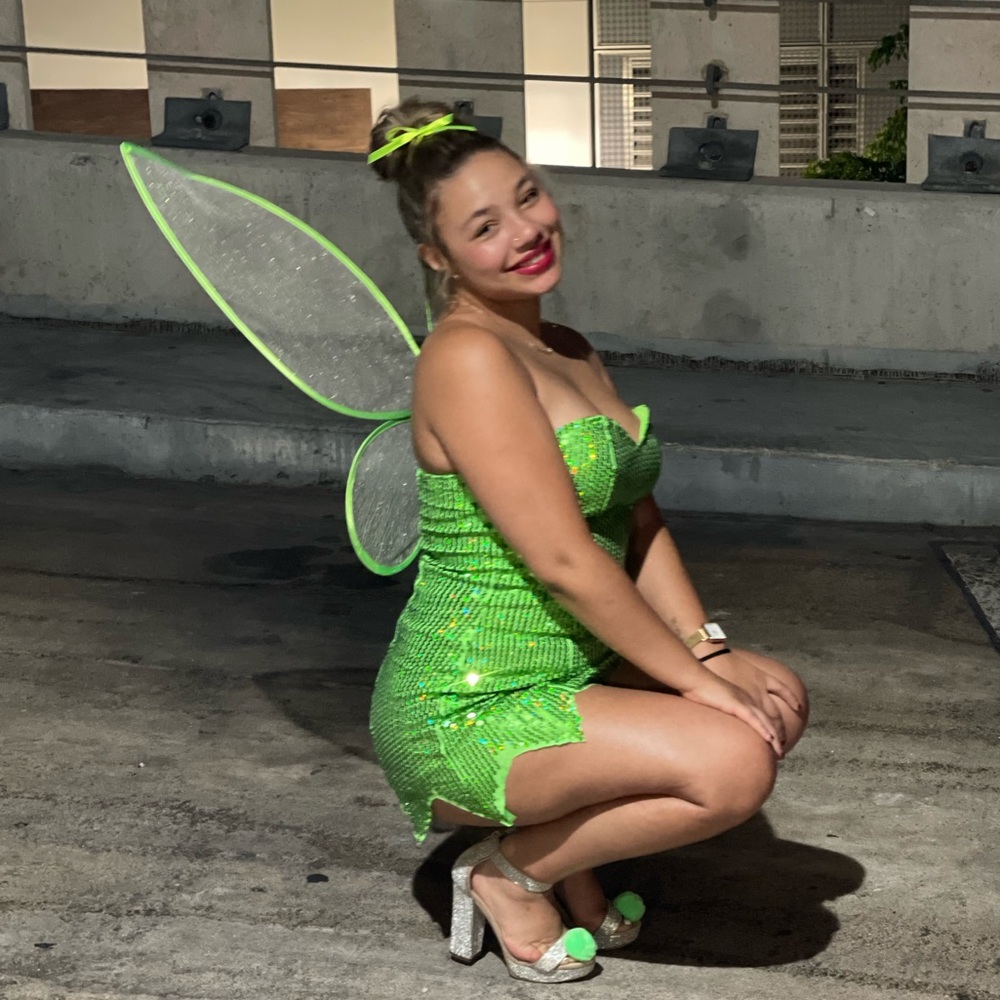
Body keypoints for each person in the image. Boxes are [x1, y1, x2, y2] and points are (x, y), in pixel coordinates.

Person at [367, 98, 809, 984]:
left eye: (529, 197)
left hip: (572, 668)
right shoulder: (465, 358)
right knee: (733, 767)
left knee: (776, 695)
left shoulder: (564, 344)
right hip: (471, 698)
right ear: (438, 257)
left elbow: (638, 520)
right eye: (485, 226)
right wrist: (697, 689)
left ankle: (571, 869)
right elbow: (566, 563)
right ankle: (509, 874)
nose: (527, 231)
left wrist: (706, 649)